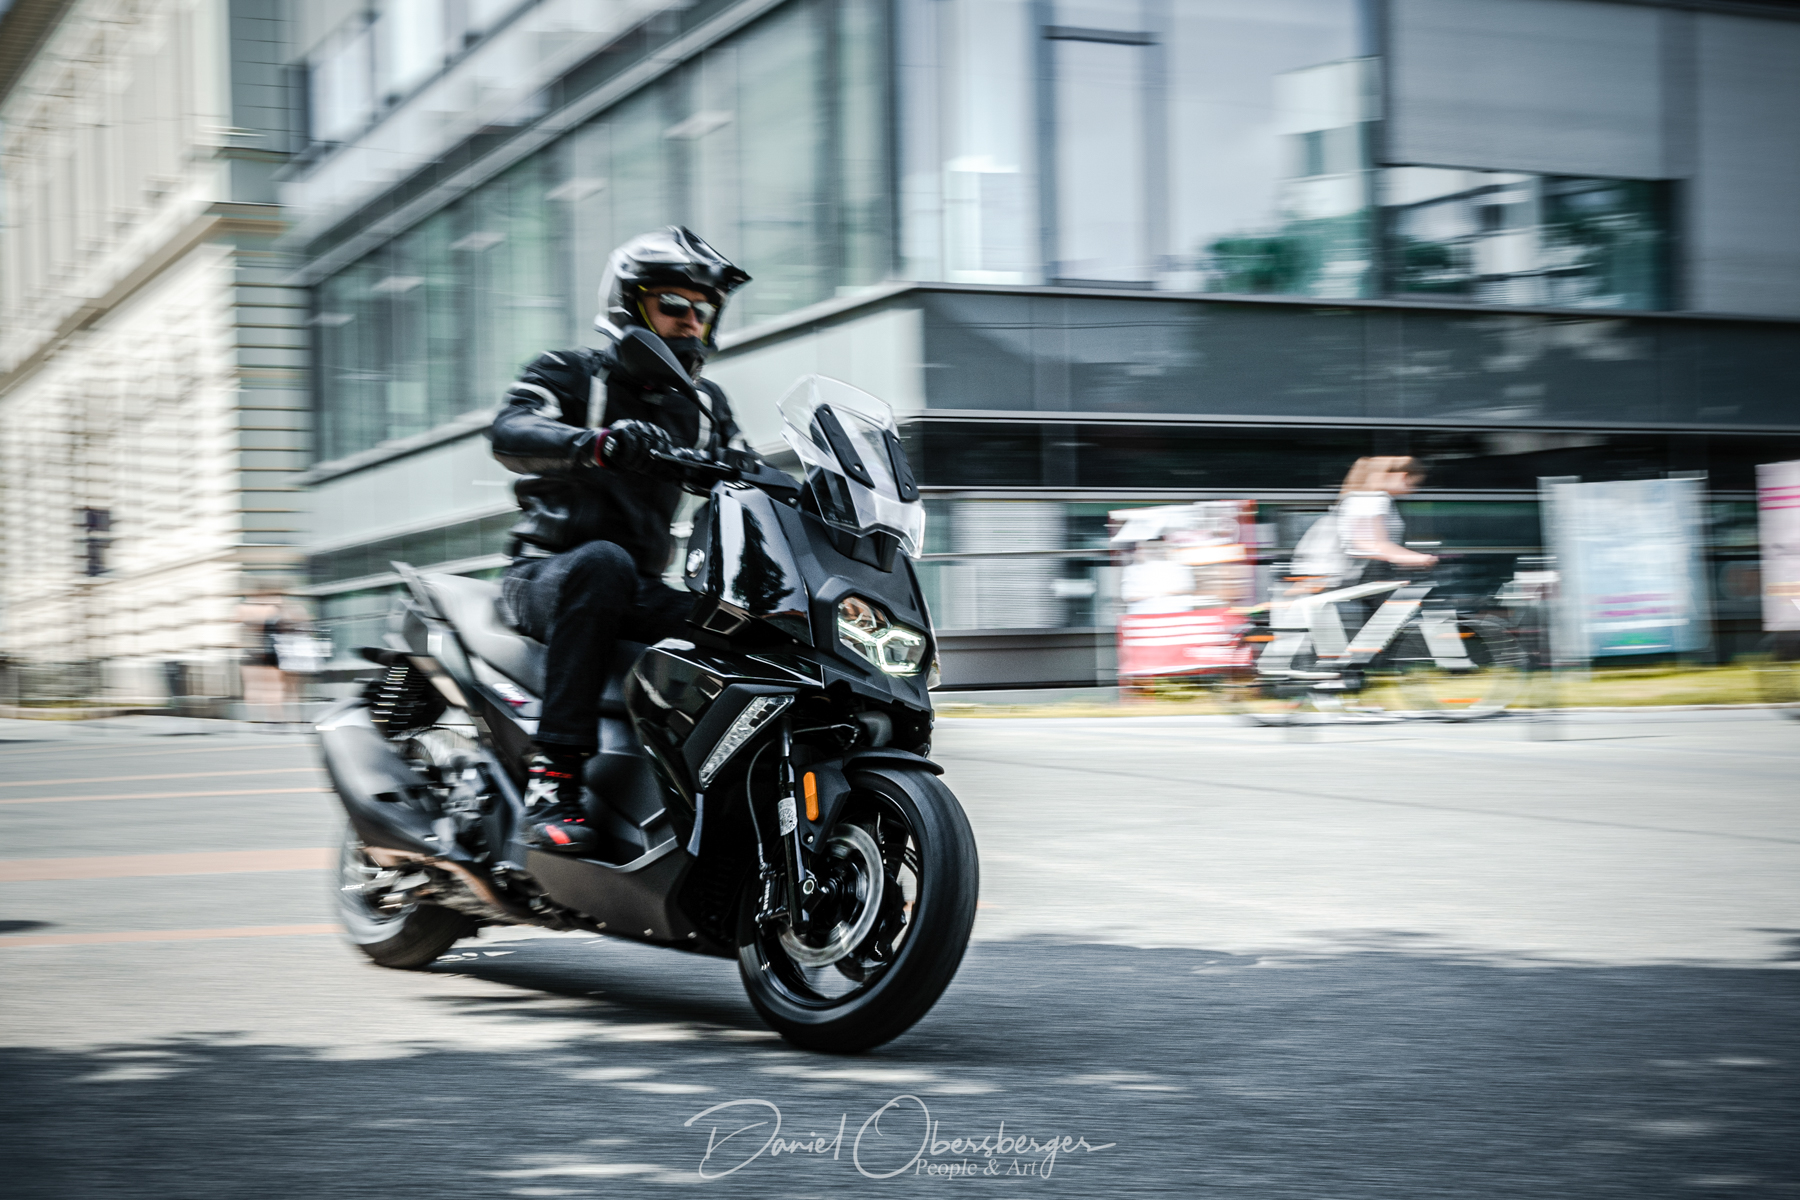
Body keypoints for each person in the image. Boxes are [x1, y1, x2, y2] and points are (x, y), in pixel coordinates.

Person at [490, 226, 753, 853]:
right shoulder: (570, 373)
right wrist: (597, 444)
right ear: (630, 303)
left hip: (637, 590)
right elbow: (511, 430)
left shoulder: (705, 405)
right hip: (545, 575)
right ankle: (554, 779)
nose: (691, 321)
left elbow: (749, 470)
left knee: (744, 624)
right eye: (674, 304)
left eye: (703, 310)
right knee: (603, 563)